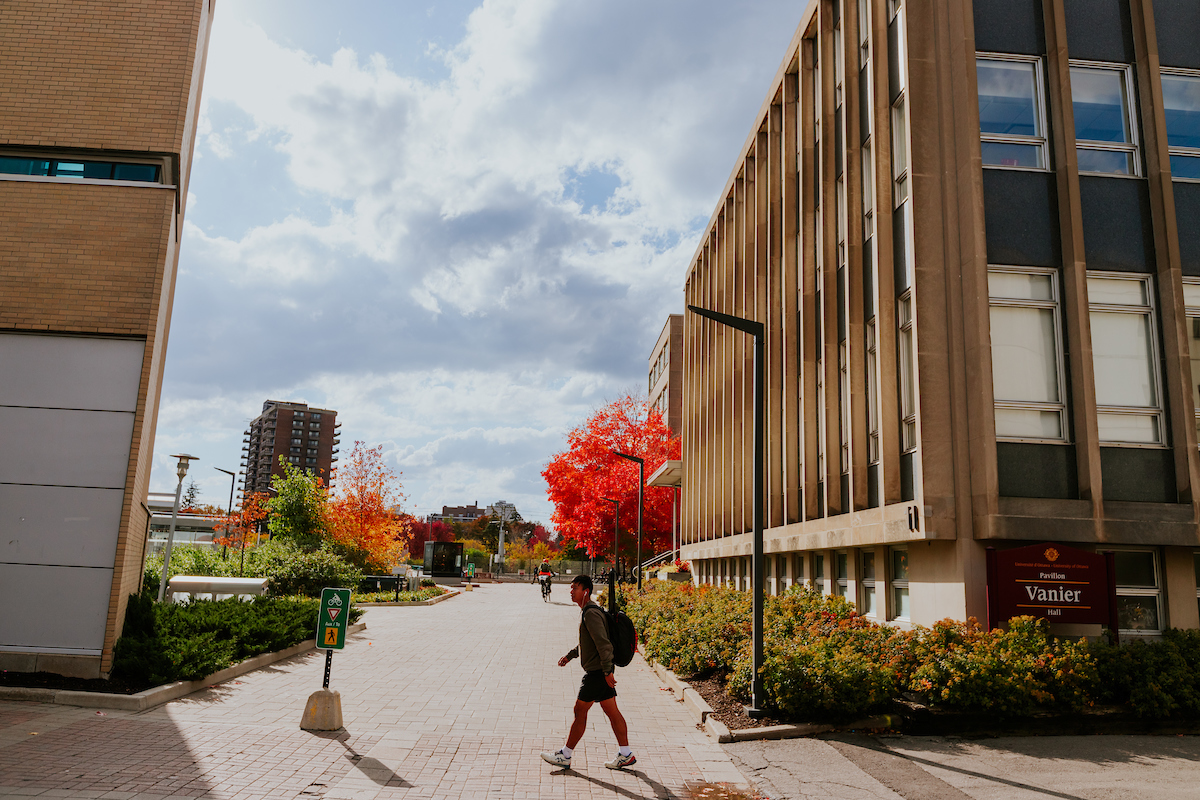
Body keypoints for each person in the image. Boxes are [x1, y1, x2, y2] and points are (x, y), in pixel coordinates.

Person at [541, 575, 635, 771]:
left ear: (585, 591)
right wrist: (570, 655)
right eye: (571, 587)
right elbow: (589, 642)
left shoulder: (590, 613)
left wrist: (607, 671)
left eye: (574, 587)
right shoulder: (589, 611)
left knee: (579, 710)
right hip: (600, 671)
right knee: (612, 711)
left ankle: (565, 755)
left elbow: (603, 644)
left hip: (597, 673)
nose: (571, 591)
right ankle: (625, 753)